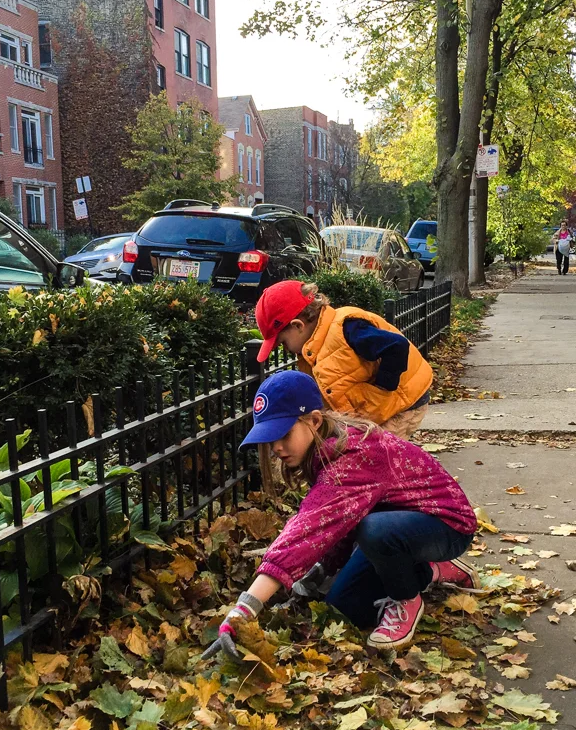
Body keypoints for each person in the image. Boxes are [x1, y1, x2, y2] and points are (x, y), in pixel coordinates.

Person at [204, 371, 479, 660]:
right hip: (397, 527)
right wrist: (324, 568)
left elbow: (308, 528)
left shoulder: (354, 456)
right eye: (270, 439)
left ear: (314, 421)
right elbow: (340, 519)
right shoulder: (325, 448)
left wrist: (244, 609)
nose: (276, 448)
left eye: (283, 435)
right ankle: (430, 569)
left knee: (376, 531)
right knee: (344, 607)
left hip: (445, 524)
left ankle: (407, 599)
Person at [254, 280, 433, 438]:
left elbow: (397, 346)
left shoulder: (347, 329)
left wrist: (380, 390)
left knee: (375, 457)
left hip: (404, 404)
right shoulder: (314, 347)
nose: (286, 349)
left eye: (283, 343)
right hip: (380, 410)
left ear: (298, 326)